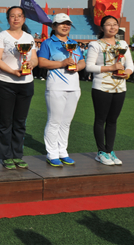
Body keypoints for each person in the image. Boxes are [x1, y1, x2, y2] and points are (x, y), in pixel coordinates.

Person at [0, 6, 38, 170]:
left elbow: (35, 58)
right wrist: (12, 71)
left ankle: (17, 155)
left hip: (26, 83)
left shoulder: (29, 37)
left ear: (24, 19)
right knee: (6, 122)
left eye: (19, 16)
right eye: (12, 16)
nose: (16, 18)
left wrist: (31, 64)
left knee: (20, 122)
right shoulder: (1, 36)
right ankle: (6, 156)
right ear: (8, 19)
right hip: (6, 82)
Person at [37, 13, 85, 167]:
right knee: (54, 121)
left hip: (74, 87)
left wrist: (78, 67)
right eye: (62, 23)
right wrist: (62, 63)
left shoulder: (74, 43)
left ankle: (63, 151)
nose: (65, 26)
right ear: (54, 26)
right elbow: (41, 62)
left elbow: (82, 61)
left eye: (68, 24)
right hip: (56, 87)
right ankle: (52, 153)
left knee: (66, 122)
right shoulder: (48, 43)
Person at [85, 15, 133, 166]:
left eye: (115, 24)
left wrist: (127, 73)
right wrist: (111, 68)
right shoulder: (95, 44)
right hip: (101, 87)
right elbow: (89, 67)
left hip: (120, 87)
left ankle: (110, 150)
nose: (112, 27)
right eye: (108, 24)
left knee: (113, 120)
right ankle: (101, 152)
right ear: (102, 27)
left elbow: (130, 64)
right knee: (100, 119)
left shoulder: (123, 44)